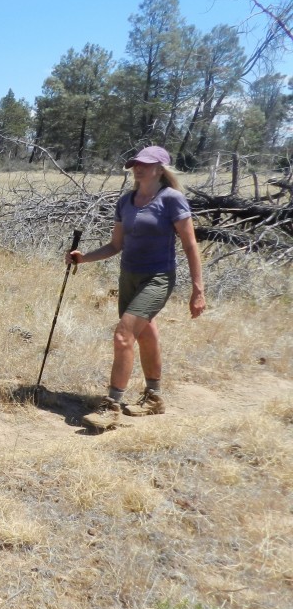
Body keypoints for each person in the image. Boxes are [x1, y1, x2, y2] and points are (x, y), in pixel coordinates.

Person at [68, 145, 205, 431]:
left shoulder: (172, 200)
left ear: (160, 168)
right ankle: (154, 397)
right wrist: (85, 258)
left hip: (157, 277)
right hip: (128, 276)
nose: (137, 167)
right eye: (135, 164)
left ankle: (111, 405)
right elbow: (116, 245)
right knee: (147, 332)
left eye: (144, 163)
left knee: (123, 335)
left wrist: (198, 289)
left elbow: (190, 244)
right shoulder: (127, 201)